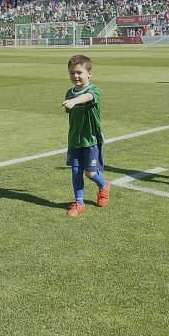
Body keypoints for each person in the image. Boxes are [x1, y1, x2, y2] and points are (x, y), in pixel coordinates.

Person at [61, 54, 109, 216]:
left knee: (90, 173)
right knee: (76, 171)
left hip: (91, 139)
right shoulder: (69, 92)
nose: (75, 76)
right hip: (75, 139)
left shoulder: (93, 89)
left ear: (89, 73)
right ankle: (79, 203)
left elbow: (88, 97)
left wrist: (74, 101)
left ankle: (104, 186)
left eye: (79, 72)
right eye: (72, 73)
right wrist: (70, 101)